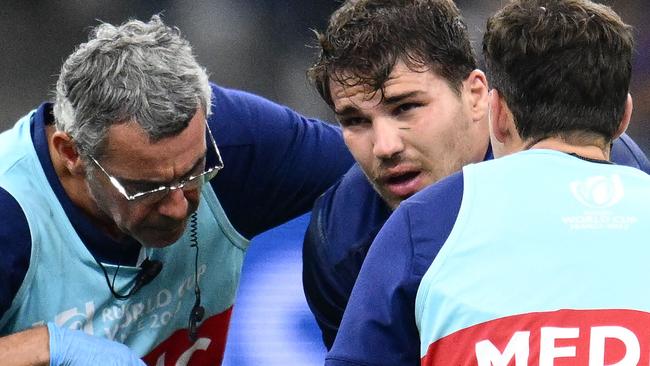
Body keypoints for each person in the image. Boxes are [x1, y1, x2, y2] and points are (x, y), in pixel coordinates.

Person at [0, 16, 353, 365]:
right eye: (145, 187)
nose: (178, 206)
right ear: (72, 153)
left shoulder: (230, 141)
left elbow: (382, 170)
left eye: (193, 172)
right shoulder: (10, 212)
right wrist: (47, 348)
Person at [302, 0, 650, 351]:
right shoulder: (341, 240)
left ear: (477, 96)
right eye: (355, 121)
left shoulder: (617, 180)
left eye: (406, 107)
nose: (385, 146)